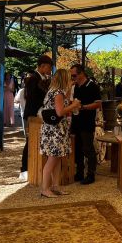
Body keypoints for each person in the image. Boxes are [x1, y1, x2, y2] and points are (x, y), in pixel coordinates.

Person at [39, 69, 81, 198]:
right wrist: (74, 105)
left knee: (56, 158)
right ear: (64, 79)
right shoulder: (57, 93)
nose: (72, 79)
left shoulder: (54, 91)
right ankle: (45, 188)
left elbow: (62, 104)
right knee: (52, 160)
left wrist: (69, 92)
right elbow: (59, 112)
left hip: (54, 129)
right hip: (55, 130)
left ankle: (55, 186)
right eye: (70, 78)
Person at [19, 55, 53, 178]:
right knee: (30, 142)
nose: (50, 70)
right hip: (33, 114)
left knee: (36, 141)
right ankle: (24, 169)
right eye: (49, 67)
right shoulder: (34, 79)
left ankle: (34, 168)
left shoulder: (42, 78)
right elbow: (33, 98)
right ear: (42, 66)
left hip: (38, 113)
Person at [70, 64, 102, 185]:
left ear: (81, 73)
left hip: (87, 121)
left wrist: (83, 107)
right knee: (77, 148)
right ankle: (79, 172)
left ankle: (91, 174)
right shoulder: (76, 86)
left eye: (74, 75)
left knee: (88, 148)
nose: (73, 78)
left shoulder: (92, 86)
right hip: (76, 121)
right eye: (72, 75)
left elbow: (98, 104)